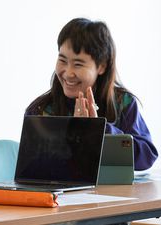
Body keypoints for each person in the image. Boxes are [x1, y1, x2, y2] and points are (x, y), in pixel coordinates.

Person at [26, 18, 158, 171]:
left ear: (101, 66)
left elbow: (147, 157)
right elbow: (32, 172)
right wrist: (76, 134)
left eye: (78, 64)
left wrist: (100, 129)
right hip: (61, 195)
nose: (68, 73)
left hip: (114, 194)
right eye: (62, 60)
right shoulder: (39, 111)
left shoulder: (123, 102)